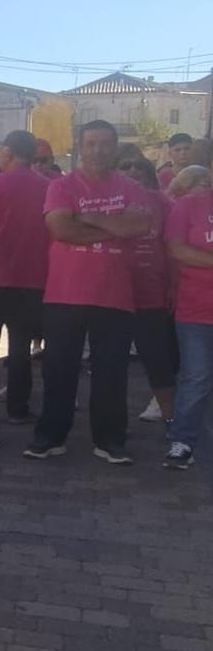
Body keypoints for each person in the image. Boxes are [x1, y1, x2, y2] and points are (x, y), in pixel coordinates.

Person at [25, 120, 151, 465]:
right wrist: (114, 226)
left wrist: (90, 218)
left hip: (116, 295)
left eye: (106, 143)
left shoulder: (131, 187)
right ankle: (50, 436)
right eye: (92, 143)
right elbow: (61, 229)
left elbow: (139, 225)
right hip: (65, 294)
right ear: (80, 146)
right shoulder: (62, 186)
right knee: (58, 370)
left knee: (112, 373)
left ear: (115, 147)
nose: (98, 150)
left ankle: (110, 440)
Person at [0, 129, 49, 423]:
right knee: (20, 348)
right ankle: (18, 408)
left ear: (7, 152)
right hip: (33, 277)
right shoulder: (48, 186)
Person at [117, 154, 178, 425]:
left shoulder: (163, 202)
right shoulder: (107, 201)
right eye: (125, 165)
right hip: (111, 292)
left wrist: (174, 285)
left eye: (139, 166)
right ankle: (111, 421)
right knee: (111, 362)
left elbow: (173, 247)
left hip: (152, 291)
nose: (132, 170)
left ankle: (169, 416)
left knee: (156, 357)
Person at [165, 166, 213, 468]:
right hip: (196, 309)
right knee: (196, 377)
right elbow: (176, 249)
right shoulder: (189, 205)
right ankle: (182, 441)